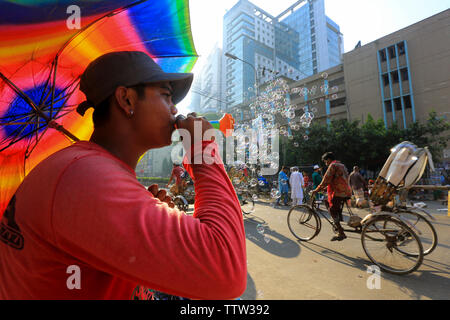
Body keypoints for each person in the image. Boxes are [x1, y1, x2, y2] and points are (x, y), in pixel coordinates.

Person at [0, 51, 247, 300]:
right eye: (166, 96)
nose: (175, 109)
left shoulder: (89, 170)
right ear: (126, 100)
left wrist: (148, 215)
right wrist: (202, 149)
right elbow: (225, 271)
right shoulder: (85, 177)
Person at [312, 152, 352, 241]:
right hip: (346, 190)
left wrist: (317, 189)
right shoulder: (341, 165)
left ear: (328, 160)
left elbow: (326, 179)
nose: (326, 164)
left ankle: (341, 233)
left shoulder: (333, 165)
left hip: (339, 191)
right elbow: (338, 179)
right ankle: (337, 220)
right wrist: (325, 188)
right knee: (327, 201)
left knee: (332, 210)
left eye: (326, 162)